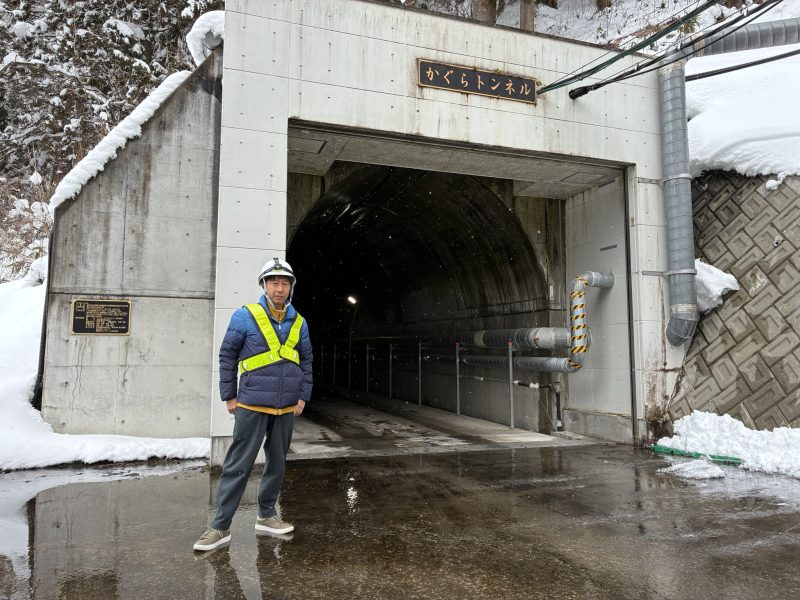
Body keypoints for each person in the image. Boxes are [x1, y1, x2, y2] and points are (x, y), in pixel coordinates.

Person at [194, 257, 313, 552]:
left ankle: (267, 515)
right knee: (238, 465)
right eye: (273, 282)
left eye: (284, 283)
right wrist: (229, 394)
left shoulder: (300, 322)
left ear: (291, 287)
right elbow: (227, 355)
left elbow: (306, 360)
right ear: (264, 285)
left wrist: (303, 395)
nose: (279, 288)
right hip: (252, 404)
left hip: (286, 407)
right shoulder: (244, 316)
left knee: (277, 463)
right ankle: (219, 526)